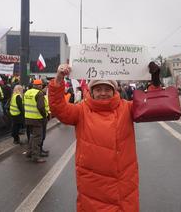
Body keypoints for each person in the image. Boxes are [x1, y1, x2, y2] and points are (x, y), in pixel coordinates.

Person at [48, 63, 161, 212]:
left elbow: (152, 106)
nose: (103, 93)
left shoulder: (127, 108)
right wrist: (59, 79)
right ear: (91, 91)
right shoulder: (81, 110)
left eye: (107, 89)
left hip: (123, 186)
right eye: (98, 89)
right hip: (92, 188)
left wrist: (155, 80)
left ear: (114, 91)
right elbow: (59, 108)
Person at [24, 79, 48, 163]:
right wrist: (44, 116)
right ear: (39, 85)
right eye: (41, 85)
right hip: (37, 119)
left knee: (32, 136)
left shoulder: (27, 92)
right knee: (37, 137)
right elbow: (41, 107)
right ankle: (35, 157)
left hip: (28, 118)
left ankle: (29, 152)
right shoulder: (39, 93)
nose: (42, 86)